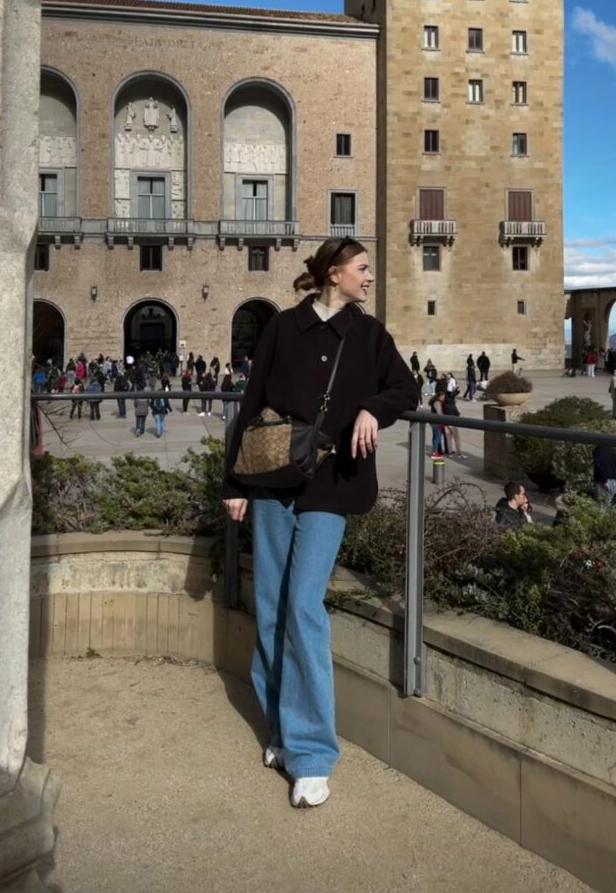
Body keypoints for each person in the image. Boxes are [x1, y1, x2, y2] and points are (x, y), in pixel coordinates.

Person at [222, 236, 418, 810]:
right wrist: (234, 483)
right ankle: (281, 729)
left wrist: (370, 409)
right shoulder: (283, 327)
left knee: (304, 604)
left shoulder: (370, 333)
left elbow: (406, 388)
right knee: (271, 606)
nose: (369, 278)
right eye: (362, 269)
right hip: (271, 479)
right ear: (334, 274)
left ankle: (311, 753)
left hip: (335, 485)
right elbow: (253, 401)